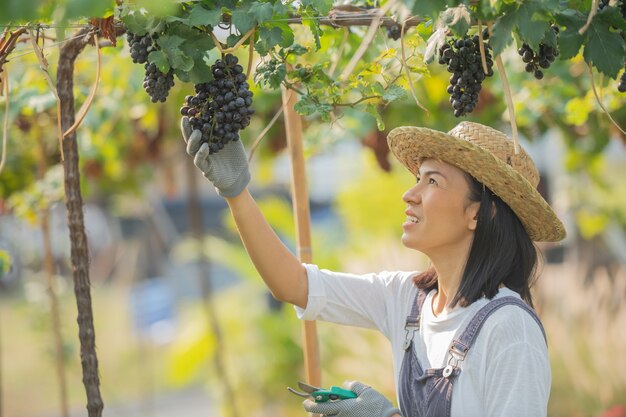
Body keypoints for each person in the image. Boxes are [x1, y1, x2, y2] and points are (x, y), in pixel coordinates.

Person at [181, 118, 566, 417]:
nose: (410, 193)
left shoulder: (509, 330)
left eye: (433, 181)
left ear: (479, 214)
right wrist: (236, 193)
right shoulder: (407, 299)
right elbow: (294, 285)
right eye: (417, 178)